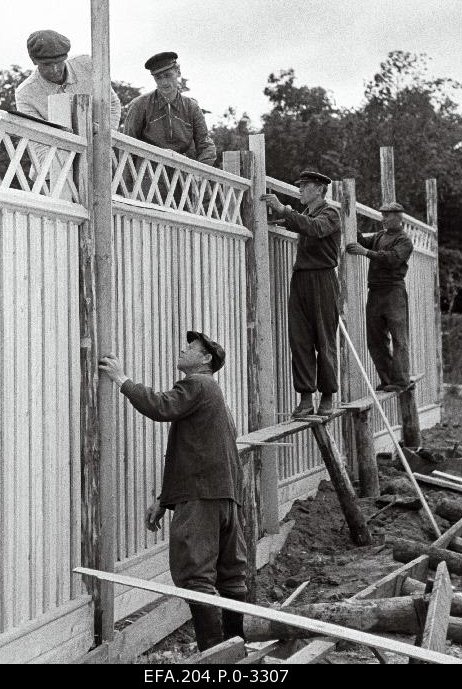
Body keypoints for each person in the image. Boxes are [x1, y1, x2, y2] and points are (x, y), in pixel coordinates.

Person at [99, 331, 247, 652]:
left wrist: (122, 380)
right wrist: (164, 502)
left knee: (195, 577)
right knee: (231, 576)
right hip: (225, 496)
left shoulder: (198, 384)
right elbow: (192, 453)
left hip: (202, 498)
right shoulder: (213, 395)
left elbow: (162, 406)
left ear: (206, 359)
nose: (183, 349)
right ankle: (238, 650)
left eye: (191, 347)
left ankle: (215, 657)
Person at [261, 171, 341, 418]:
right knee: (300, 340)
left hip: (323, 279)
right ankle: (306, 398)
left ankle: (327, 396)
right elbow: (298, 223)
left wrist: (285, 211)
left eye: (304, 186)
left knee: (324, 339)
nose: (300, 190)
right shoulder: (306, 214)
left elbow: (315, 229)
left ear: (319, 189)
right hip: (302, 279)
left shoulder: (330, 214)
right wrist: (275, 216)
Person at [346, 201, 413, 392]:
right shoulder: (379, 236)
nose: (383, 219)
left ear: (399, 218)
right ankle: (387, 379)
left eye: (387, 215)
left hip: (394, 291)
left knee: (399, 338)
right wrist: (350, 220)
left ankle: (400, 381)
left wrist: (365, 252)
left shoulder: (404, 240)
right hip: (375, 291)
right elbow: (361, 241)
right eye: (382, 215)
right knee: (375, 339)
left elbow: (392, 259)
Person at [15, 29, 121, 129]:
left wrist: (102, 136)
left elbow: (111, 104)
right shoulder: (25, 94)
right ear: (33, 60)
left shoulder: (87, 64)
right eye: (47, 65)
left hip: (101, 144)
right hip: (56, 147)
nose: (55, 70)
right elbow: (37, 137)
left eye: (59, 62)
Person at [124, 52, 217, 165]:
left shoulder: (191, 107)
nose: (164, 82)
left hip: (182, 175)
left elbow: (205, 145)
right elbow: (127, 145)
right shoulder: (139, 105)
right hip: (147, 174)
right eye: (158, 78)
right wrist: (126, 181)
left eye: (168, 75)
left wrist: (200, 174)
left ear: (178, 72)